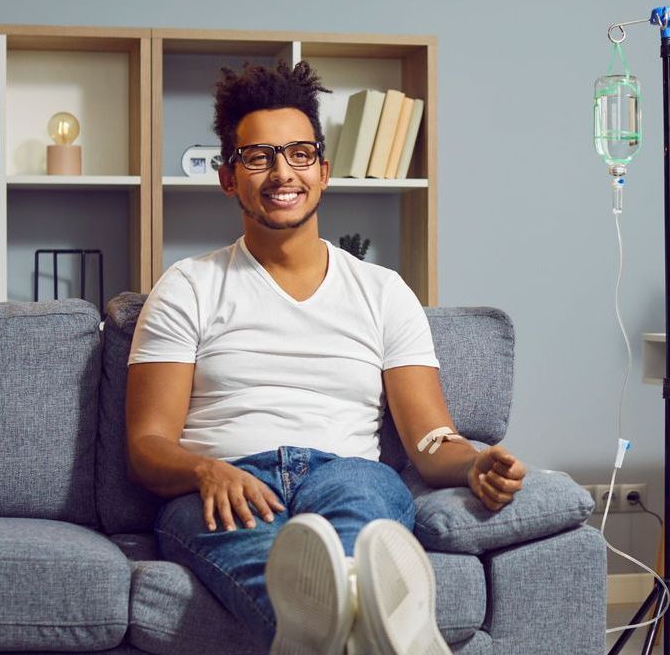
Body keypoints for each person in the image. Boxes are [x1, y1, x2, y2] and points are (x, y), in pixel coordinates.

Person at [125, 60, 526, 655]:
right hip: (228, 485)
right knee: (299, 592)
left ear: (323, 170)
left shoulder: (384, 291)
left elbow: (429, 439)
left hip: (347, 474)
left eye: (299, 154)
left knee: (345, 545)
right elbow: (147, 445)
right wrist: (206, 471)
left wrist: (474, 464)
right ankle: (381, 632)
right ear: (228, 178)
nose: (282, 172)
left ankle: (335, 630)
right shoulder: (187, 286)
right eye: (258, 157)